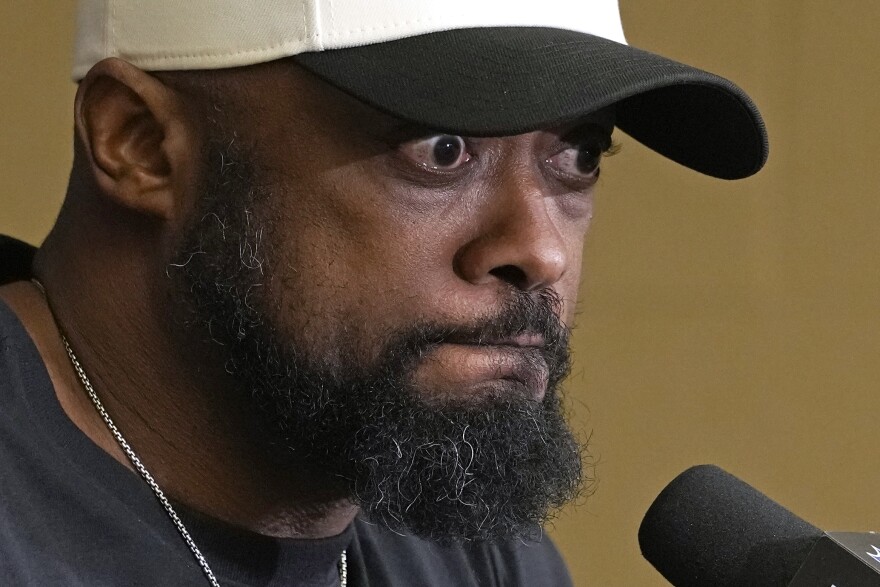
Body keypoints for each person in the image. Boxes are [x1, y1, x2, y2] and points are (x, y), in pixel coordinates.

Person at [0, 1, 767, 585]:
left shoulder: (469, 548)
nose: (539, 249)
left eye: (578, 153)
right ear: (138, 143)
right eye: (441, 149)